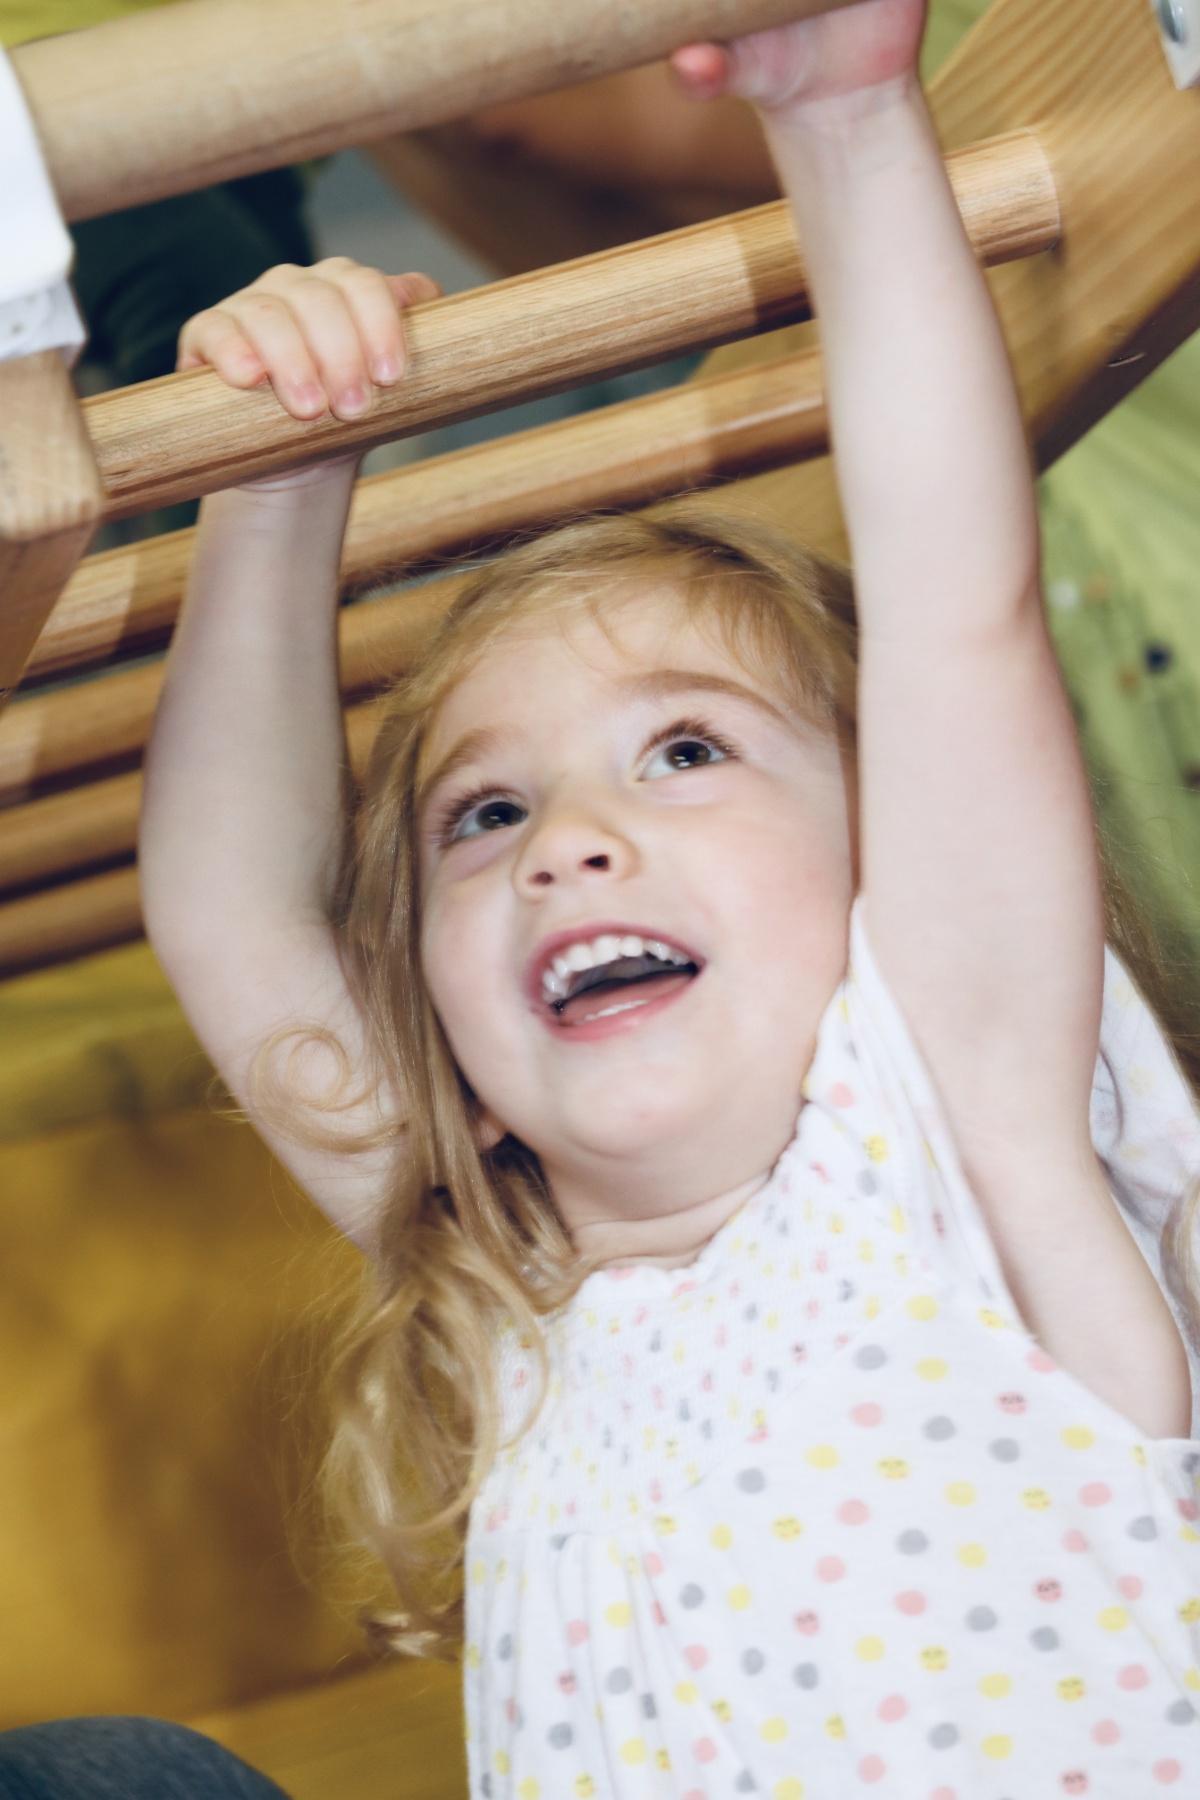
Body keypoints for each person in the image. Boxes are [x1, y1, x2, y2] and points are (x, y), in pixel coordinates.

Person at [138, 2, 1200, 1794]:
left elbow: (954, 609)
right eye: (484, 814)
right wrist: (272, 485)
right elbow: (237, 916)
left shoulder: (953, 1139)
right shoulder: (514, 1288)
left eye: (687, 753)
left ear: (893, 848)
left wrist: (848, 128)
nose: (565, 839)